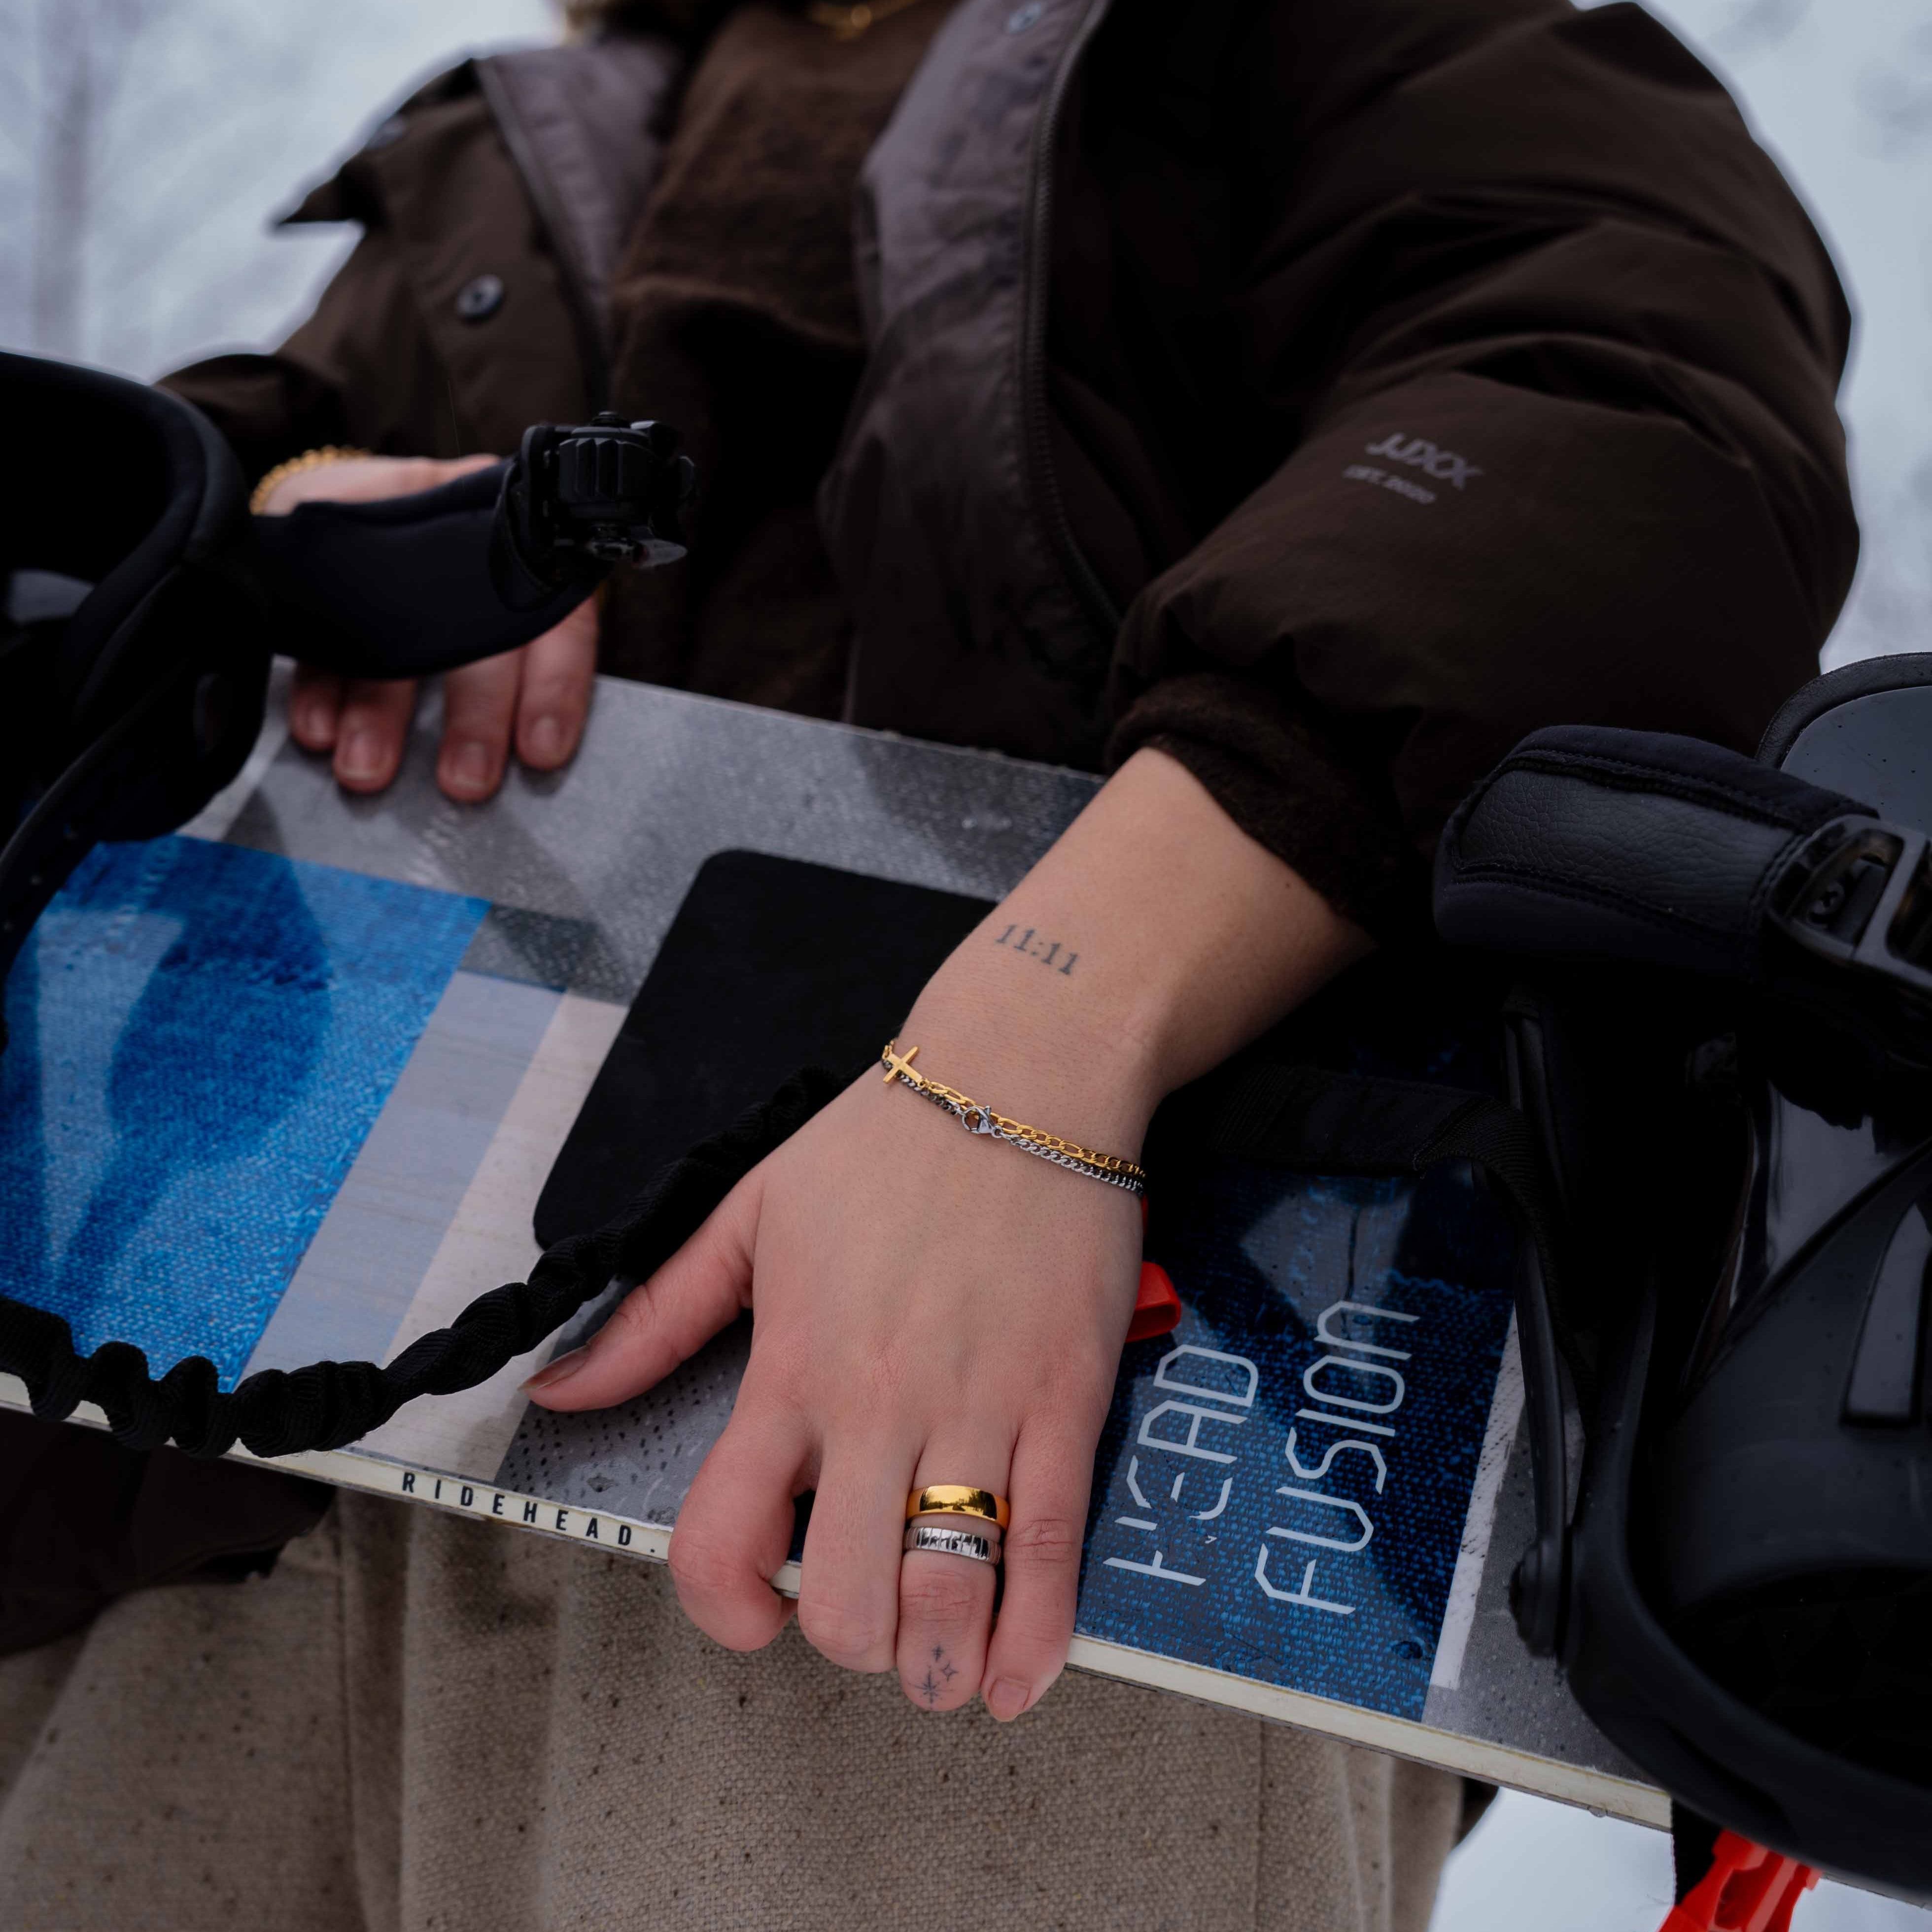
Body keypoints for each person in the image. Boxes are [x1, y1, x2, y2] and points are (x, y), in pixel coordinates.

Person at [0, 0, 1856, 1926]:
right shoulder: (492, 136)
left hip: (968, 1502)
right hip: (172, 1511)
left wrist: (1033, 1048)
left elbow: (1617, 394)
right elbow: (120, 535)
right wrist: (265, 514)